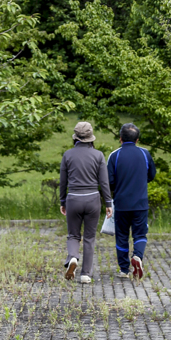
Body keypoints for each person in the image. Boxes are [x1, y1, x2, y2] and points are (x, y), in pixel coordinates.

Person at [59, 121, 112, 283]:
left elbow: (63, 181)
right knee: (89, 237)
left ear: (75, 137)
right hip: (92, 199)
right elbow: (104, 182)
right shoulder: (98, 155)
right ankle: (85, 275)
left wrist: (62, 201)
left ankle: (73, 257)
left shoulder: (67, 155)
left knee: (73, 235)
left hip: (73, 198)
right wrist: (108, 202)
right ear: (90, 138)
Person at [107, 123, 156, 280]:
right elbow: (152, 175)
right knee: (140, 234)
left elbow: (110, 181)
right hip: (141, 203)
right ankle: (138, 256)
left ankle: (124, 269)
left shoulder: (115, 156)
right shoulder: (145, 154)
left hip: (121, 204)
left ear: (120, 139)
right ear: (137, 140)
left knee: (121, 235)